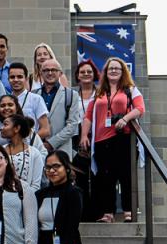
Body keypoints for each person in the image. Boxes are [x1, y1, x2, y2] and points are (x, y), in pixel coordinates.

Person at [79, 57, 145, 223]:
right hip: (102, 141)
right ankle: (107, 213)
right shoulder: (99, 93)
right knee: (105, 178)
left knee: (125, 176)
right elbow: (88, 117)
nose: (114, 71)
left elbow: (140, 108)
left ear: (123, 72)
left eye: (117, 68)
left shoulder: (130, 90)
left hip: (123, 138)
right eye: (110, 69)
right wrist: (84, 135)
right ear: (105, 73)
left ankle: (128, 211)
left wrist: (125, 118)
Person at [33, 59, 82, 156]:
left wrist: (51, 143)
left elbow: (72, 125)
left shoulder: (71, 95)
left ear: (60, 73)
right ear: (41, 73)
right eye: (46, 70)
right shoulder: (33, 94)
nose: (50, 73)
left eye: (53, 70)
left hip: (61, 150)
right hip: (36, 149)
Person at [72, 60, 100, 222]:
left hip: (97, 138)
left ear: (94, 74)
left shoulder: (101, 94)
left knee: (97, 177)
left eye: (89, 71)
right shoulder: (72, 96)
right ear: (77, 76)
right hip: (78, 139)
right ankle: (83, 213)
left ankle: (97, 213)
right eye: (82, 72)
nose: (86, 74)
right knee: (80, 177)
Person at [2, 114, 44, 191]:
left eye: (5, 124)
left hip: (26, 198)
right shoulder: (0, 151)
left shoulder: (34, 153)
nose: (2, 128)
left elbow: (36, 185)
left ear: (16, 128)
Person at [9, 62, 50, 139]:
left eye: (20, 77)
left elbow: (45, 130)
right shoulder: (5, 101)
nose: (16, 80)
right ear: (8, 79)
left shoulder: (36, 99)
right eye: (12, 77)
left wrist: (27, 140)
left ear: (26, 79)